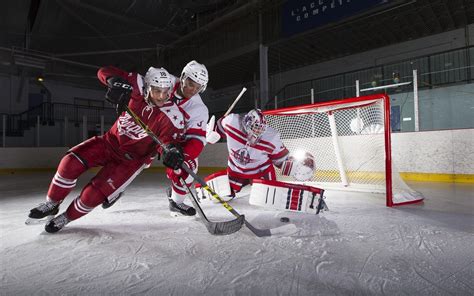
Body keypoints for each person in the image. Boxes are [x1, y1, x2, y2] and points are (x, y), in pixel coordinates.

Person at [26, 66, 185, 233]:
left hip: (129, 162)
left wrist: (172, 150)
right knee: (69, 163)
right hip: (108, 142)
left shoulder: (172, 115)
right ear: (147, 87)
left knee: (92, 196)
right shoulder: (137, 84)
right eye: (156, 90)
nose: (162, 96)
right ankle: (52, 203)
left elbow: (168, 142)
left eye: (166, 91)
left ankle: (67, 217)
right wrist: (115, 82)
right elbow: (104, 71)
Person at [203, 109, 315, 201]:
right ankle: (234, 186)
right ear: (247, 123)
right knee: (223, 196)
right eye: (256, 127)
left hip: (261, 171)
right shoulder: (231, 121)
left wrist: (295, 167)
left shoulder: (271, 138)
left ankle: (263, 186)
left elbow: (280, 160)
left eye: (261, 128)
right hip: (236, 170)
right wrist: (210, 133)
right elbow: (217, 127)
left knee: (269, 198)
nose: (258, 132)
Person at [161, 60, 210, 217]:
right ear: (182, 76)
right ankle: (113, 191)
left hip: (173, 142)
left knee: (189, 167)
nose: (193, 90)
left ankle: (176, 202)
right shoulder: (164, 80)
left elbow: (197, 140)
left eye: (198, 88)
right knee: (133, 160)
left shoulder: (199, 108)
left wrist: (185, 157)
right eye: (190, 83)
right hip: (149, 130)